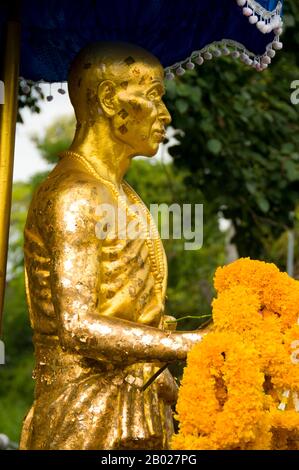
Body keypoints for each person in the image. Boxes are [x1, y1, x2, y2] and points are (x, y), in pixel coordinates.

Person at [20, 42, 207, 450]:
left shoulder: (121, 193)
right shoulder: (74, 193)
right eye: (154, 95)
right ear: (108, 100)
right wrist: (189, 344)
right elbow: (79, 327)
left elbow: (136, 313)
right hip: (87, 420)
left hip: (138, 411)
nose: (165, 114)